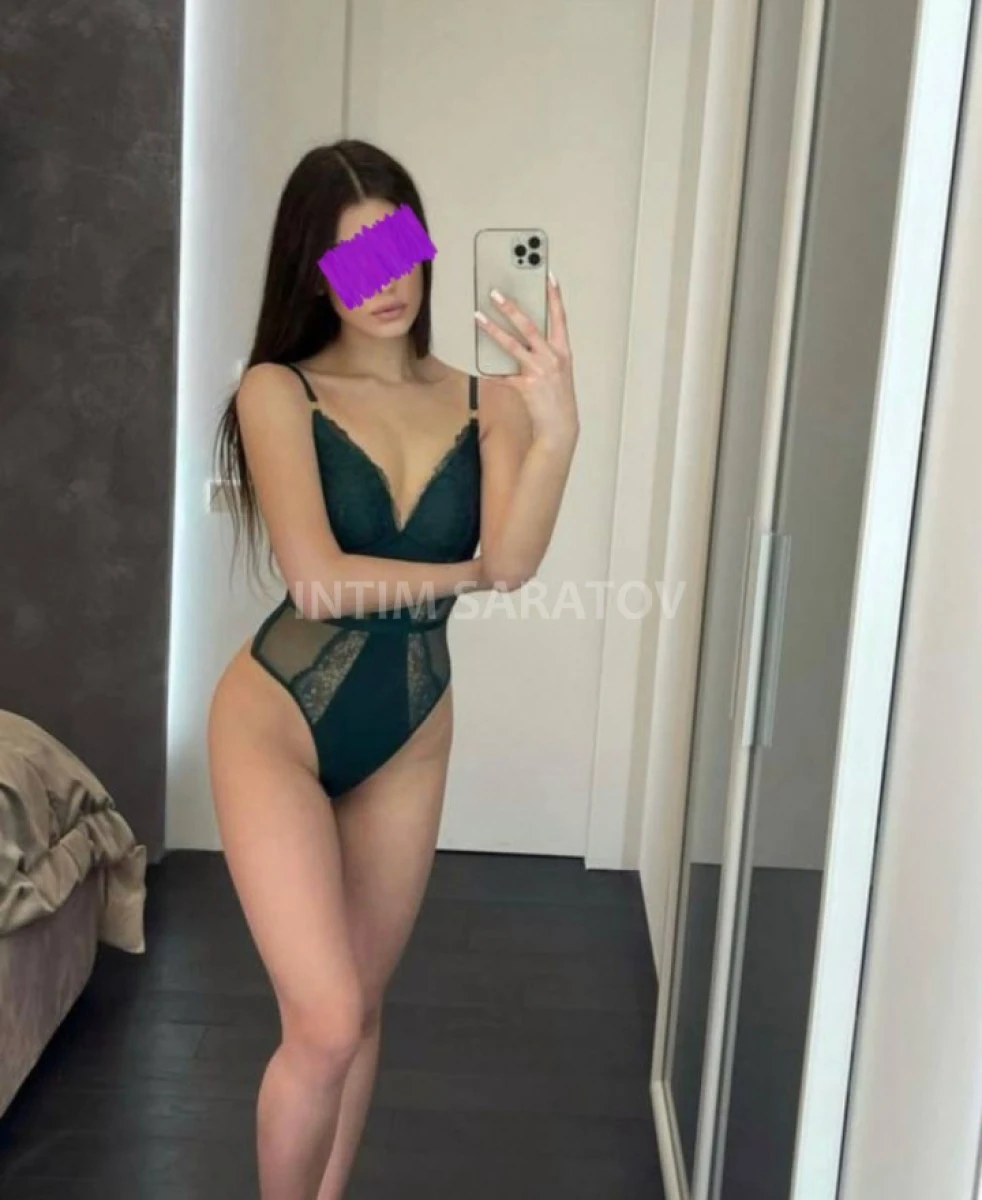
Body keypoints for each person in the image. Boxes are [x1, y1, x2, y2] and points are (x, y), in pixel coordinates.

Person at [206, 138, 579, 1200]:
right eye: (353, 258)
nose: (385, 281)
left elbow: (515, 562)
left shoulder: (486, 399)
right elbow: (317, 582)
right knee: (323, 1022)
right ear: (313, 271)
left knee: (362, 1009)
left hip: (409, 725)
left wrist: (557, 430)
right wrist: (463, 573)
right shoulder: (278, 391)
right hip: (278, 719)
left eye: (399, 249)